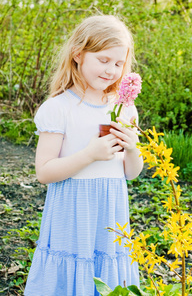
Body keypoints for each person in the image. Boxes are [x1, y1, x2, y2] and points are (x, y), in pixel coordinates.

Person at [24, 15, 143, 296]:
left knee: (108, 281)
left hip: (110, 214)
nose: (112, 70)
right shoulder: (59, 108)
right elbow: (44, 172)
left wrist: (133, 148)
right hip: (73, 214)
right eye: (103, 60)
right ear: (78, 55)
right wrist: (89, 154)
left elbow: (130, 172)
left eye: (118, 63)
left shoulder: (124, 109)